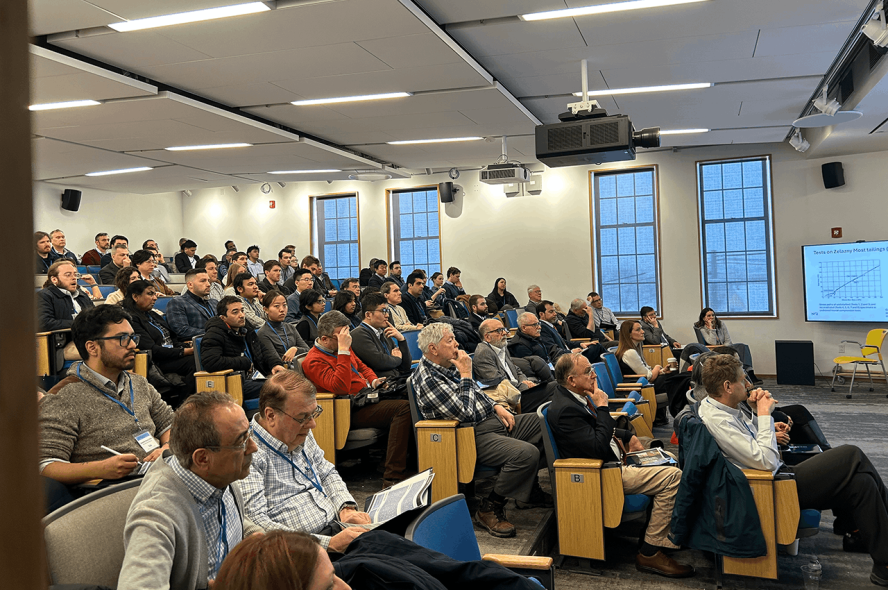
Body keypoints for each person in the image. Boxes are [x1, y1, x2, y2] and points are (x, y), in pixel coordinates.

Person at [698, 354, 888, 587]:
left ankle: (880, 560)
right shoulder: (718, 420)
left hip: (773, 477)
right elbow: (766, 462)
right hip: (768, 488)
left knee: (862, 483)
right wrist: (764, 416)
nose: (748, 384)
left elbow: (747, 441)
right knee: (852, 454)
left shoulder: (721, 406)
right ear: (728, 387)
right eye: (742, 380)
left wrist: (759, 418)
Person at [547, 352, 694, 578]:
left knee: (666, 457)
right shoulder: (566, 409)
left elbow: (595, 428)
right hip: (603, 474)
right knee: (673, 477)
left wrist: (626, 434)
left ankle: (663, 532)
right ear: (571, 380)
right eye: (587, 371)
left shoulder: (575, 395)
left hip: (614, 460)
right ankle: (650, 552)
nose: (594, 374)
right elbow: (597, 446)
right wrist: (603, 407)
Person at [413, 322, 551, 537]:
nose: (457, 344)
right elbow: (465, 412)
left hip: (491, 420)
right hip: (469, 434)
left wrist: (496, 406)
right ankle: (489, 507)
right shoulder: (428, 378)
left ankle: (528, 491)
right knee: (526, 454)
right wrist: (466, 374)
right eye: (450, 340)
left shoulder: (446, 365)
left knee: (546, 423)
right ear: (433, 349)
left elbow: (477, 392)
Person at [117, 391, 261, 590]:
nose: (253, 447)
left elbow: (224, 515)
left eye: (249, 434)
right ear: (202, 458)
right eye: (241, 441)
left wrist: (255, 535)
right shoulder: (156, 515)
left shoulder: (218, 473)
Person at [38, 305, 174, 486]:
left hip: (157, 475)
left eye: (132, 337)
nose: (133, 345)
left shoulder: (138, 383)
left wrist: (167, 448)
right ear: (92, 347)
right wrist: (99, 469)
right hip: (113, 489)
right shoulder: (63, 397)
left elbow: (169, 425)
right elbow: (45, 465)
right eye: (122, 338)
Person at [239, 371, 370, 551]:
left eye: (313, 414)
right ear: (270, 416)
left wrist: (345, 508)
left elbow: (326, 472)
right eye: (302, 417)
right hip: (303, 552)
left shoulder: (299, 431)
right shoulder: (247, 453)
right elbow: (258, 525)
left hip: (337, 528)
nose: (312, 424)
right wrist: (328, 544)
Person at [301, 311, 412, 486]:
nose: (347, 340)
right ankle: (392, 477)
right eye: (342, 337)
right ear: (325, 339)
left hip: (364, 397)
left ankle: (407, 462)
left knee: (408, 394)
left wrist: (374, 380)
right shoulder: (314, 361)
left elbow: (361, 366)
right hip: (346, 409)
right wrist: (343, 351)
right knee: (403, 409)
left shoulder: (342, 346)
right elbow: (340, 387)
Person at [122, 280, 196, 404]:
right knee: (195, 362)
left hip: (171, 355)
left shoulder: (152, 315)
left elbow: (173, 339)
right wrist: (184, 351)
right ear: (135, 297)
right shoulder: (131, 319)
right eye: (150, 294)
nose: (155, 298)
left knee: (204, 356)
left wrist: (187, 345)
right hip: (156, 361)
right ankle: (184, 405)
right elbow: (152, 350)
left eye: (155, 293)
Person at [201, 296, 285, 401]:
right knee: (278, 387)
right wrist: (244, 363)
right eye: (235, 312)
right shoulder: (214, 334)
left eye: (242, 310)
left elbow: (262, 350)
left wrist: (275, 364)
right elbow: (211, 362)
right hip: (234, 382)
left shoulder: (246, 328)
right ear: (223, 318)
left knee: (289, 380)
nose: (241, 315)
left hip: (255, 377)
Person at [475, 319, 552, 415]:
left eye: (504, 329)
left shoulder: (501, 346)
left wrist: (525, 381)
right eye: (499, 331)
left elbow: (516, 369)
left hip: (519, 390)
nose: (504, 333)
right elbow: (499, 382)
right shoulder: (483, 353)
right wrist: (525, 386)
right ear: (487, 337)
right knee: (554, 388)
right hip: (513, 399)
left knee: (554, 390)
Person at [616, 320, 675, 423]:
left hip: (642, 384)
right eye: (638, 330)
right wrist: (657, 367)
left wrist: (662, 371)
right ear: (629, 334)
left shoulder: (635, 349)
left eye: (641, 329)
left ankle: (661, 417)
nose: (642, 332)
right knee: (675, 381)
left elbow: (647, 371)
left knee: (672, 376)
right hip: (639, 388)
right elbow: (649, 377)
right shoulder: (630, 352)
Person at [350, 292, 412, 379]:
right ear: (368, 315)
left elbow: (405, 366)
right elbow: (380, 362)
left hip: (396, 379)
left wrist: (401, 340)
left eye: (387, 311)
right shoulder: (358, 334)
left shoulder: (384, 332)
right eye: (383, 311)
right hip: (382, 383)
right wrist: (397, 359)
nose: (387, 315)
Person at [695, 308, 762, 385]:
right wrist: (711, 328)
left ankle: (750, 372)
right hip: (714, 349)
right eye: (709, 316)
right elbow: (712, 342)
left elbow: (727, 339)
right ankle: (747, 375)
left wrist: (726, 347)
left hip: (726, 347)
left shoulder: (721, 324)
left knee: (743, 347)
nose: (711, 317)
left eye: (713, 315)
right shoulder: (702, 328)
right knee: (740, 349)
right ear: (704, 318)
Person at [37, 260, 96, 331]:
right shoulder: (44, 296)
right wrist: (80, 324)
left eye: (75, 275)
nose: (74, 278)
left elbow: (95, 317)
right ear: (54, 279)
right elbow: (44, 323)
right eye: (68, 275)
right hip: (64, 336)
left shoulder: (82, 295)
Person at [258, 291, 310, 368]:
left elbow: (308, 350)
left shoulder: (290, 327)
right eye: (276, 306)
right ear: (266, 309)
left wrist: (295, 349)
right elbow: (274, 360)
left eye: (284, 305)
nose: (282, 309)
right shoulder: (262, 333)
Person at [166, 268, 218, 340]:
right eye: (203, 281)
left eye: (208, 281)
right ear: (190, 284)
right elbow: (181, 330)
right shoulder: (177, 303)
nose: (208, 284)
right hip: (198, 343)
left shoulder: (214, 302)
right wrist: (213, 333)